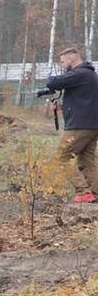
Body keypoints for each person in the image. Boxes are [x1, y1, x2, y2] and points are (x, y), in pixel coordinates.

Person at [45, 46, 98, 203]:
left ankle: (82, 192)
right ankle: (95, 192)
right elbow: (84, 101)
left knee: (61, 157)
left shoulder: (80, 73)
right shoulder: (90, 75)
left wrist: (52, 82)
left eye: (62, 62)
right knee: (86, 160)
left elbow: (53, 82)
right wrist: (62, 106)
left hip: (80, 126)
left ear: (71, 59)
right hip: (92, 125)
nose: (62, 65)